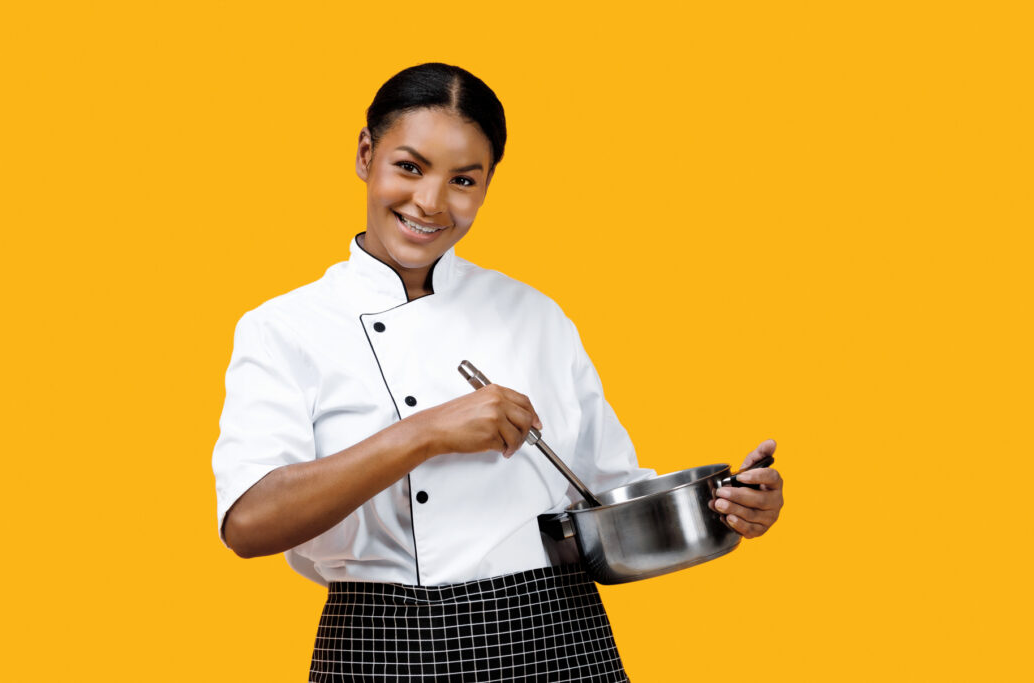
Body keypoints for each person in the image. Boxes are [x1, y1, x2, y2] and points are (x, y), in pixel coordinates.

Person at [212, 62, 784, 682]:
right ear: (365, 154)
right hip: (384, 642)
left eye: (463, 179)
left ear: (486, 186)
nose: (430, 203)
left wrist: (720, 509)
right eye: (409, 166)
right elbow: (248, 524)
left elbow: (604, 495)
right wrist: (426, 432)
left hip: (557, 634)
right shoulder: (285, 328)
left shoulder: (534, 315)